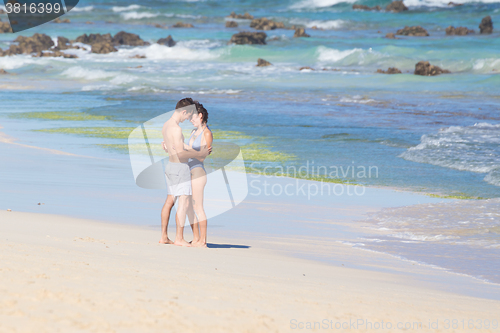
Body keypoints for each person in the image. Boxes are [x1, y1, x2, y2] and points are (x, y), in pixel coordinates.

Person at [159, 98, 210, 247]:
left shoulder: (166, 125)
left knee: (169, 202)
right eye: (188, 115)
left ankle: (164, 236)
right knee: (183, 203)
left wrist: (195, 150)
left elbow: (173, 147)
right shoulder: (177, 129)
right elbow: (180, 154)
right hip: (180, 168)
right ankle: (179, 238)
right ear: (185, 111)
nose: (187, 119)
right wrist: (199, 154)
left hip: (169, 167)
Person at [185, 101, 213, 248]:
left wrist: (185, 150)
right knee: (188, 206)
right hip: (188, 170)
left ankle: (203, 240)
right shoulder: (193, 132)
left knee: (198, 207)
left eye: (193, 118)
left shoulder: (207, 133)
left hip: (198, 172)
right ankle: (195, 238)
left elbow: (202, 156)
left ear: (200, 116)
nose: (190, 120)